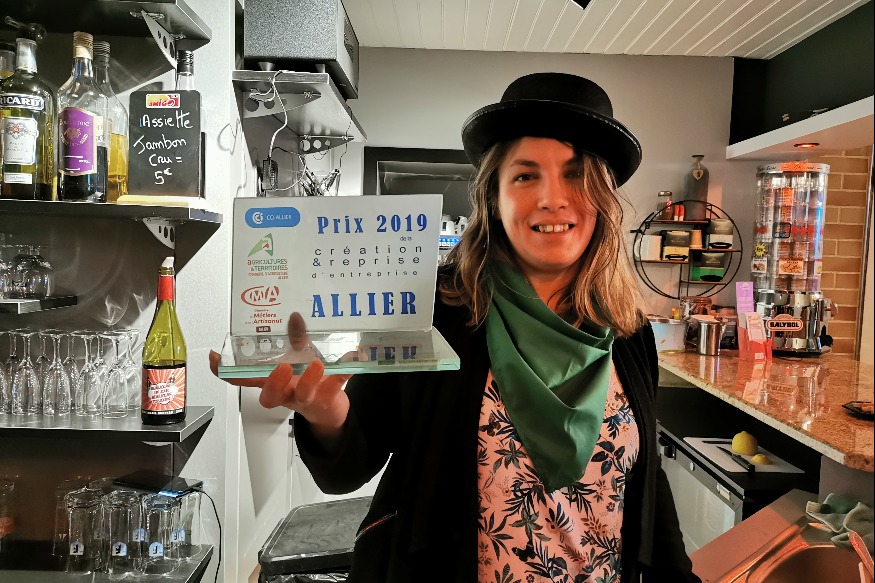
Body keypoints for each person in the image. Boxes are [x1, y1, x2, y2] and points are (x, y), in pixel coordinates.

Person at [211, 72, 700, 583]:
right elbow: (348, 468)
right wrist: (324, 410)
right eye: (525, 176)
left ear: (603, 197)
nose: (552, 198)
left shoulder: (628, 332)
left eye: (576, 175)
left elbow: (646, 481)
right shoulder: (433, 311)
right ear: (494, 197)